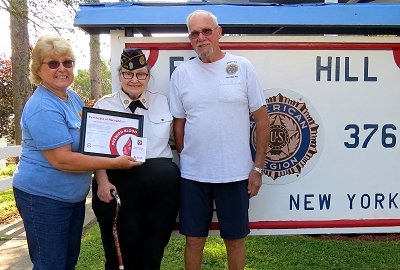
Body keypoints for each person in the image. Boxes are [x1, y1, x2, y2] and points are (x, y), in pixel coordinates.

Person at [12, 35, 141, 270]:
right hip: (43, 199)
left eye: (67, 62)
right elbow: (63, 160)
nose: (62, 69)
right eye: (53, 63)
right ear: (38, 69)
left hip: (71, 198)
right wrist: (116, 164)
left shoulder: (71, 97)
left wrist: (102, 179)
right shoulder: (42, 106)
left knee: (68, 261)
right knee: (50, 264)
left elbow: (91, 143)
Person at [168, 10, 271, 270]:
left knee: (235, 240)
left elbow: (262, 120)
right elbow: (178, 125)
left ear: (219, 32)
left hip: (236, 175)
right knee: (193, 240)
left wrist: (257, 168)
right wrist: (189, 157)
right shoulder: (181, 74)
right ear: (189, 38)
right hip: (194, 176)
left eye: (206, 30)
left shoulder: (243, 67)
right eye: (194, 33)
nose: (201, 37)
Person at [92, 48, 180, 270]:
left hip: (161, 189)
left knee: (154, 247)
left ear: (149, 77)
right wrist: (102, 181)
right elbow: (94, 151)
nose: (134, 79)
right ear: (119, 75)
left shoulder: (163, 102)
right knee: (121, 248)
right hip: (120, 183)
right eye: (127, 74)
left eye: (141, 74)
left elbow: (177, 139)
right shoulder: (104, 105)